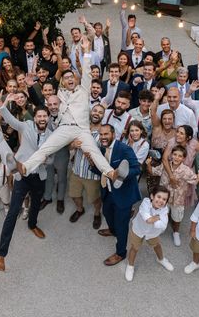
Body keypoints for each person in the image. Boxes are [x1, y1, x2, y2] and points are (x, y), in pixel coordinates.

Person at [20, 37, 116, 183]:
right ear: (63, 82)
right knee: (46, 148)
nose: (70, 79)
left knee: (94, 151)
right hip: (64, 128)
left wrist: (87, 52)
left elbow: (87, 73)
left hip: (82, 129)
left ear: (75, 79)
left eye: (72, 76)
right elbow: (56, 76)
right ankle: (26, 167)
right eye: (67, 78)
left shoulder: (83, 89)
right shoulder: (59, 93)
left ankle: (110, 172)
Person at [0, 97, 52, 272]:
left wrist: (45, 160)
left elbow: (52, 160)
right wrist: (0, 104)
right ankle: (1, 254)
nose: (42, 118)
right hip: (21, 175)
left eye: (45, 116)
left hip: (38, 175)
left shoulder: (52, 136)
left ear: (48, 118)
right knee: (12, 212)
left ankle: (32, 225)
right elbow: (10, 119)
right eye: (39, 116)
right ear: (34, 118)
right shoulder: (26, 125)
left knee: (35, 203)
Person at [93, 124, 142, 266]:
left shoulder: (124, 149)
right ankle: (112, 230)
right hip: (107, 191)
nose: (103, 137)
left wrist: (120, 174)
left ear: (113, 134)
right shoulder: (101, 149)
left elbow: (136, 169)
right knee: (107, 214)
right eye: (101, 134)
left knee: (122, 226)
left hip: (123, 195)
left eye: (106, 134)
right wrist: (92, 165)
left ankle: (121, 253)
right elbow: (102, 170)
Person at [147, 145, 199, 247]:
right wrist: (148, 164)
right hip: (163, 199)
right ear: (171, 155)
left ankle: (176, 232)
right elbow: (153, 172)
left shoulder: (186, 170)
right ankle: (162, 227)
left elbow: (195, 180)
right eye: (175, 154)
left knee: (177, 218)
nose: (176, 157)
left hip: (178, 200)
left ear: (184, 158)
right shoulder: (164, 165)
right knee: (162, 214)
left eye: (180, 156)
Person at [124, 186, 174, 282]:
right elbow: (147, 219)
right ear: (152, 196)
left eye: (164, 199)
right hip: (138, 230)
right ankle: (130, 266)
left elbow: (163, 225)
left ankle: (161, 259)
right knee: (134, 248)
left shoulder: (165, 209)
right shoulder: (146, 202)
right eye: (158, 197)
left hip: (152, 233)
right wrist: (157, 218)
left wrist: (153, 219)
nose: (161, 201)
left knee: (157, 245)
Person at [68, 105, 105, 229]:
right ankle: (80, 209)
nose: (96, 113)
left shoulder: (103, 134)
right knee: (74, 195)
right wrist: (73, 144)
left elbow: (106, 155)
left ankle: (97, 213)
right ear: (91, 112)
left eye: (100, 112)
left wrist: (94, 158)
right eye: (95, 110)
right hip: (76, 171)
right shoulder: (81, 129)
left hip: (92, 175)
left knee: (95, 199)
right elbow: (69, 146)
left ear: (103, 116)